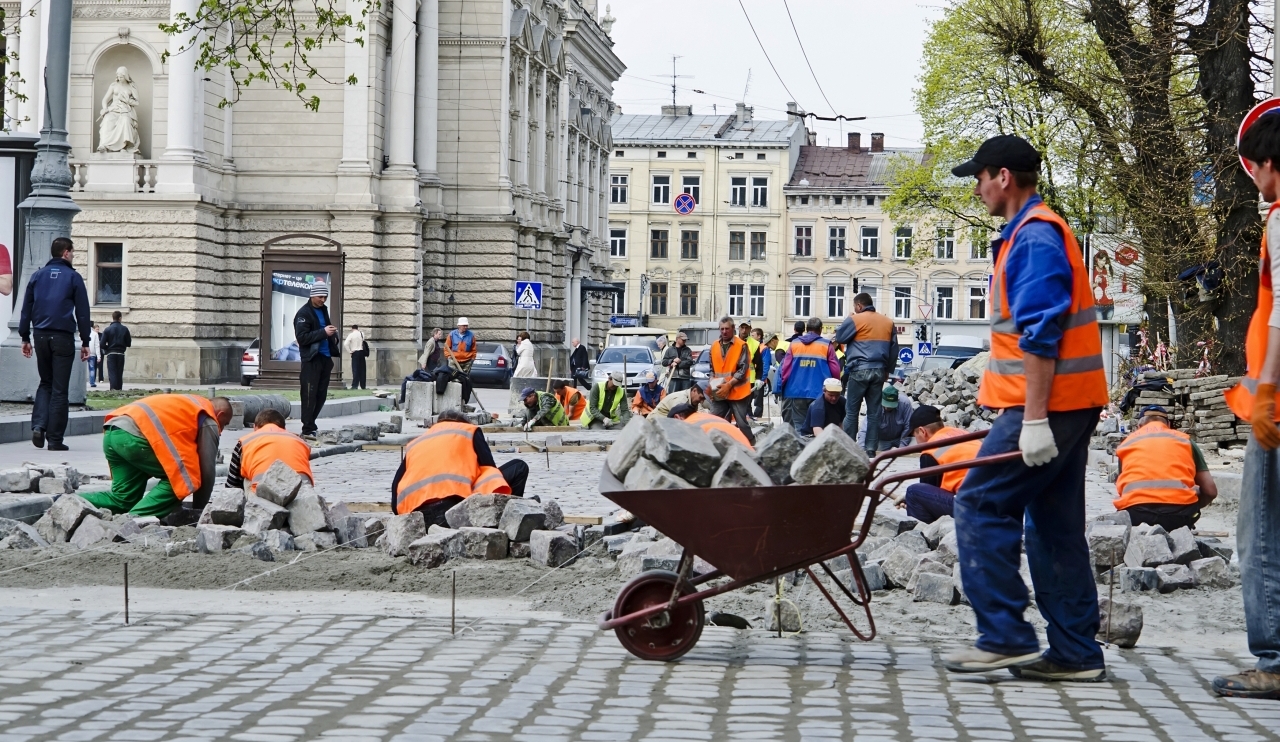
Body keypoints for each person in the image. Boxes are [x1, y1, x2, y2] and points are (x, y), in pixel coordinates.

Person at [942, 135, 1109, 682]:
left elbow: (1041, 336)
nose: (976, 187)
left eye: (979, 177)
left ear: (1004, 178)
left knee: (978, 505)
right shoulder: (1031, 234)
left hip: (1045, 408)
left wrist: (1034, 420)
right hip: (1070, 404)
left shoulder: (1035, 238)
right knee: (1053, 526)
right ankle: (1075, 653)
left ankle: (1005, 635)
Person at [1218, 113, 1280, 700]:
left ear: (1267, 164)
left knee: (1261, 534)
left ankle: (1274, 659)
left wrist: (1263, 391)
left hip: (1277, 407)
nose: (1254, 180)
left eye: (1255, 168)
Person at [82, 394, 233, 519]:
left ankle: (66, 501)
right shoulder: (207, 417)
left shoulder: (189, 403)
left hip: (113, 432)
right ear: (220, 415)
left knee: (123, 499)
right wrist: (200, 510)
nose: (221, 431)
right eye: (224, 424)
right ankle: (132, 521)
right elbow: (206, 471)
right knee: (183, 481)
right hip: (135, 438)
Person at [391, 409, 529, 526]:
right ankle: (510, 521)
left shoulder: (416, 443)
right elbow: (491, 471)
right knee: (518, 467)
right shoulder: (469, 431)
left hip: (417, 518)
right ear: (463, 423)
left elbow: (395, 488)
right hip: (455, 511)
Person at [19, 236, 91, 451]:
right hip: (62, 337)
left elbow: (26, 309)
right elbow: (83, 311)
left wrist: (25, 337)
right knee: (60, 389)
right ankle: (55, 440)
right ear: (66, 252)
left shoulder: (37, 276)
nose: (73, 255)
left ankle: (39, 426)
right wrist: (86, 340)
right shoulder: (73, 277)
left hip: (40, 336)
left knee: (45, 383)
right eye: (73, 252)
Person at [1112, 406, 1217, 531]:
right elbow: (1210, 491)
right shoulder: (1185, 441)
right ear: (1168, 424)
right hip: (1179, 517)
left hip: (1136, 516)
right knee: (1194, 491)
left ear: (1139, 426)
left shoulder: (1126, 444)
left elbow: (1123, 491)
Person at [834, 292, 898, 455]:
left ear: (859, 306)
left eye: (855, 307)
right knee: (874, 412)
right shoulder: (888, 322)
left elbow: (840, 337)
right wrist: (887, 371)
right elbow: (894, 350)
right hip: (878, 371)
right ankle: (870, 449)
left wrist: (848, 319)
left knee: (852, 411)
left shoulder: (855, 319)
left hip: (859, 370)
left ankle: (849, 447)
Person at [900, 405, 982, 524]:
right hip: (1000, 501)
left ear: (922, 431)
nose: (916, 442)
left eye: (915, 435)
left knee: (913, 492)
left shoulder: (931, 451)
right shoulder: (961, 433)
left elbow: (926, 495)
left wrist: (910, 500)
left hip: (975, 509)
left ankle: (926, 536)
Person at [293, 281, 340, 439]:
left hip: (325, 358)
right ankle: (307, 428)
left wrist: (332, 334)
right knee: (308, 394)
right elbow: (302, 338)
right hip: (311, 359)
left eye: (325, 296)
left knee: (321, 394)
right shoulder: (303, 313)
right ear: (312, 295)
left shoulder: (323, 310)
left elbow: (323, 331)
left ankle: (311, 424)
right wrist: (323, 332)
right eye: (320, 296)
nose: (323, 299)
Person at [778, 317, 840, 436]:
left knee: (800, 428)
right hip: (819, 393)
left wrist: (783, 386)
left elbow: (785, 368)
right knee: (819, 426)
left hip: (796, 392)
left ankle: (803, 451)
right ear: (820, 329)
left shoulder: (794, 344)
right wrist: (835, 387)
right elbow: (835, 369)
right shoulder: (826, 345)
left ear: (806, 329)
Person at [226, 408, 314, 491]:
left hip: (262, 493)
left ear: (254, 427)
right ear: (283, 428)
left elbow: (232, 486)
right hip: (302, 492)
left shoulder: (245, 441)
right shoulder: (300, 442)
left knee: (246, 477)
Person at [707, 316, 755, 444]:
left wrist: (729, 385)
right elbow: (712, 369)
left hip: (737, 392)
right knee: (714, 419)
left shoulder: (741, 345)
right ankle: (717, 445)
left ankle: (752, 445)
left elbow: (743, 369)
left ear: (733, 329)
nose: (724, 331)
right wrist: (711, 383)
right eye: (721, 329)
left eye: (727, 329)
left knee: (741, 423)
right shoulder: (714, 346)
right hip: (720, 391)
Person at [670, 402, 753, 450]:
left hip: (741, 465)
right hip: (750, 455)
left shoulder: (690, 426)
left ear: (677, 417)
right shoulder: (703, 416)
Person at [864, 386, 914, 452]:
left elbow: (909, 426)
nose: (887, 408)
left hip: (900, 438)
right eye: (886, 405)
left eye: (891, 406)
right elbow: (865, 429)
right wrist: (862, 450)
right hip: (882, 441)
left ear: (897, 400)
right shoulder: (875, 405)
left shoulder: (905, 403)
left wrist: (901, 448)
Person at [102, 310, 131, 390]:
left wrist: (108, 348)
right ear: (120, 318)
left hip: (111, 353)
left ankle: (113, 389)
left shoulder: (107, 329)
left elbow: (102, 344)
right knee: (119, 373)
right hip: (121, 353)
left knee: (112, 373)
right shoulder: (124, 329)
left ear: (113, 318)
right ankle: (119, 389)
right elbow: (128, 343)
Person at [752, 328, 771, 418]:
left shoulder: (764, 348)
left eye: (753, 335)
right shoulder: (752, 346)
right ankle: (750, 417)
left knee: (758, 401)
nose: (751, 337)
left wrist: (762, 379)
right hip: (751, 377)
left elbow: (765, 364)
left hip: (759, 378)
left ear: (759, 336)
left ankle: (757, 417)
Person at [344, 325, 368, 390]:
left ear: (352, 329)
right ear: (357, 328)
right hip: (362, 353)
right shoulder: (362, 334)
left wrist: (350, 351)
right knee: (362, 370)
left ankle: (355, 385)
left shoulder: (351, 335)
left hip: (355, 353)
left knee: (355, 369)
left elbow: (346, 343)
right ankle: (363, 385)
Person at [87, 324, 101, 389]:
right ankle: (92, 382)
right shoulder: (95, 334)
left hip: (84, 352)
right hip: (92, 353)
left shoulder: (83, 332)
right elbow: (97, 345)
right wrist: (99, 356)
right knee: (92, 369)